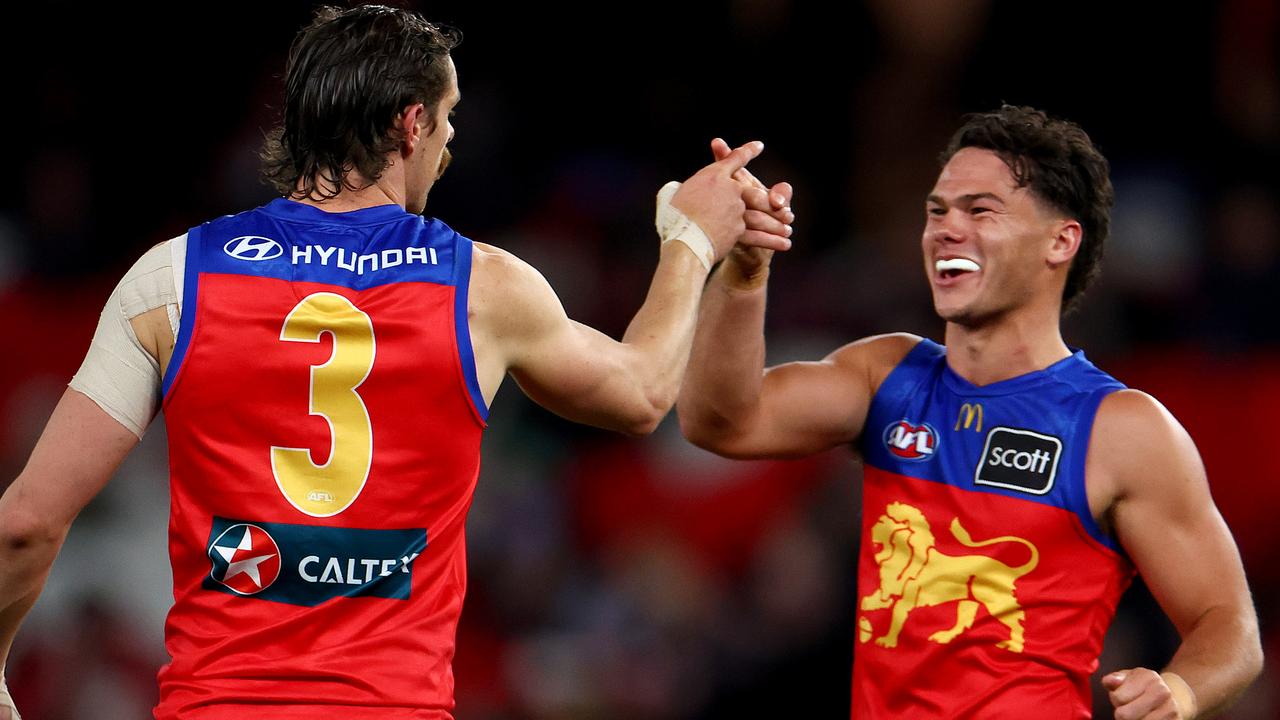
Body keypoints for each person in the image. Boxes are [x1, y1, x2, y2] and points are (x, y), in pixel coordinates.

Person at [0, 5, 795, 720]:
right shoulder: (484, 288)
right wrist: (691, 243)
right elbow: (643, 393)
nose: (450, 144)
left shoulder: (171, 278)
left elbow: (27, 524)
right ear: (412, 124)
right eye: (449, 121)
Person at [679, 105, 1262, 719]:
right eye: (937, 211)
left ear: (1061, 240)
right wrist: (745, 273)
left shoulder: (1122, 429)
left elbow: (1229, 625)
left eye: (980, 210)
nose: (945, 229)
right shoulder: (886, 375)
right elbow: (719, 422)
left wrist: (1181, 690)